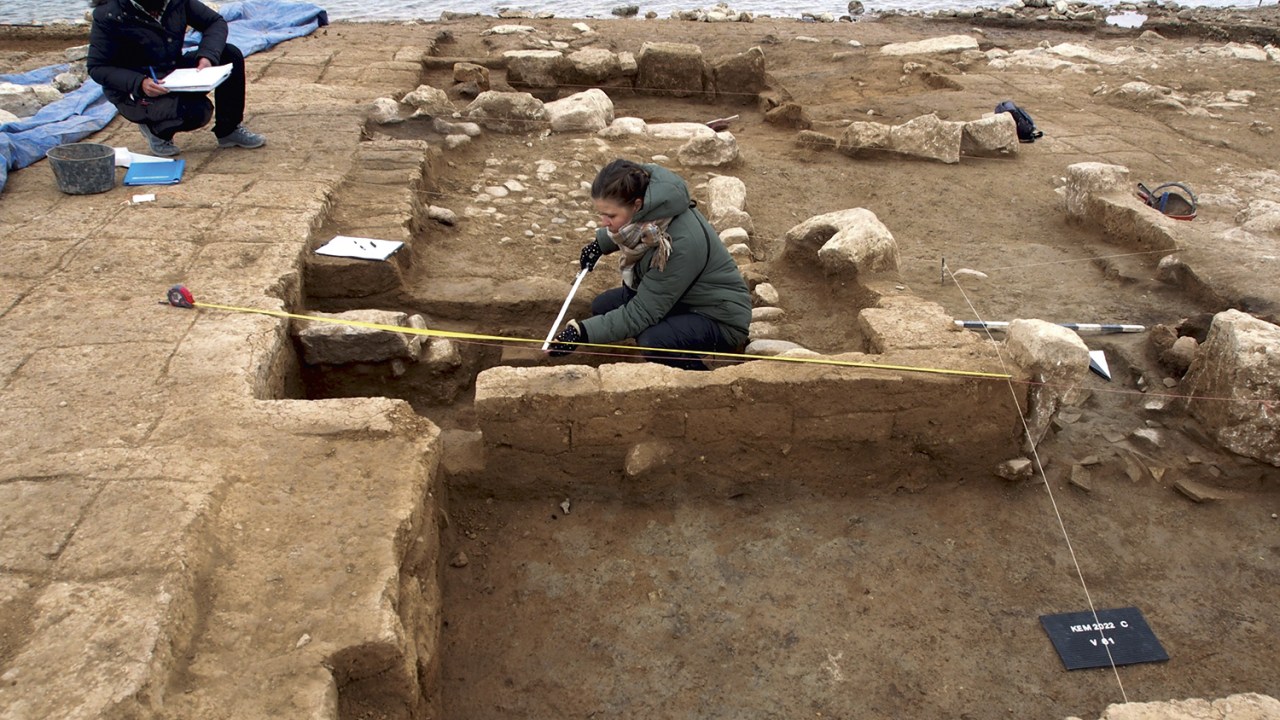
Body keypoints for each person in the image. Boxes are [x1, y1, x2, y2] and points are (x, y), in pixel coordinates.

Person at [548, 159, 752, 371]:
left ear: (637, 205)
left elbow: (643, 312)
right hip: (684, 298)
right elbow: (629, 230)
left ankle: (698, 376)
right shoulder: (652, 208)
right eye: (602, 214)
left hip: (718, 316)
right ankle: (671, 333)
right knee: (602, 306)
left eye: (610, 216)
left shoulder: (678, 244)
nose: (604, 222)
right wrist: (599, 245)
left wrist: (582, 332)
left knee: (654, 340)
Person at [87, 0, 265, 158]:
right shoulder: (109, 15)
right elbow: (97, 67)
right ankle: (157, 131)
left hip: (171, 70)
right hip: (135, 89)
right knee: (197, 111)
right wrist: (139, 83)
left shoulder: (176, 2)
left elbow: (214, 22)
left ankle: (229, 129)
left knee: (229, 54)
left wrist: (207, 56)